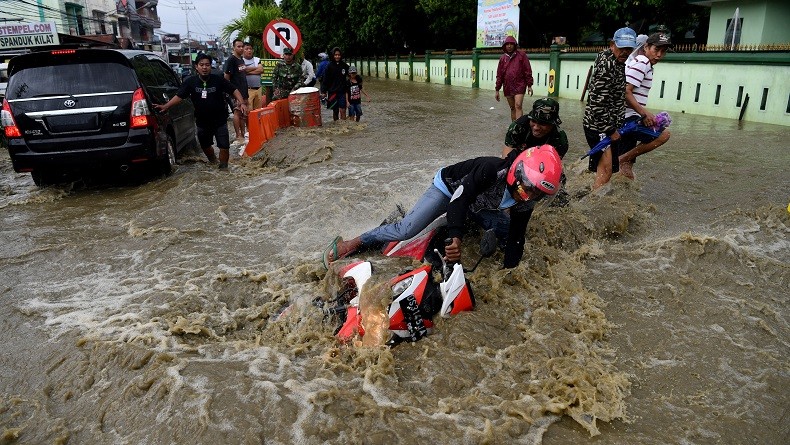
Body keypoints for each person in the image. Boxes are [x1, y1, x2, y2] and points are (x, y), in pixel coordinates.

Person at [323, 145, 563, 270]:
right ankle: (352, 242)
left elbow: (518, 236)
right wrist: (456, 238)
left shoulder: (527, 200)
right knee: (406, 229)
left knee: (506, 233)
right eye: (526, 189)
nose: (527, 197)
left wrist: (510, 272)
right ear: (517, 172)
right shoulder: (491, 170)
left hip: (481, 205)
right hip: (448, 190)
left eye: (537, 195)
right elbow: (459, 199)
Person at [155, 53, 247, 170]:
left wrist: (241, 103)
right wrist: (165, 106)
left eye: (207, 65)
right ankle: (213, 161)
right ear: (196, 67)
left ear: (210, 66)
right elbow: (179, 96)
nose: (204, 67)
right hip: (202, 122)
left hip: (220, 120)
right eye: (201, 65)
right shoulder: (190, 82)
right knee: (206, 146)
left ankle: (224, 169)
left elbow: (234, 90)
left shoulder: (218, 79)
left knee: (224, 146)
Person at [582, 27, 637, 190]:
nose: (625, 52)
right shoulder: (607, 66)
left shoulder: (617, 62)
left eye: (629, 48)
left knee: (607, 169)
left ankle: (592, 193)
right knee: (606, 171)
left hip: (607, 125)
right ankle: (593, 201)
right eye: (622, 48)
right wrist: (611, 130)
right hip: (599, 126)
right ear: (612, 44)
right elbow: (597, 104)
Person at [617, 32, 673, 179]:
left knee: (625, 171)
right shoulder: (643, 62)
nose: (659, 55)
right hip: (628, 119)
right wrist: (644, 113)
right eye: (656, 50)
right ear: (646, 47)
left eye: (663, 51)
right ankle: (621, 159)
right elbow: (626, 91)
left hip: (628, 117)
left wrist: (643, 114)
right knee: (664, 135)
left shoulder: (640, 62)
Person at [502, 98, 568, 159]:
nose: (536, 128)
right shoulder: (517, 127)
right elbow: (506, 158)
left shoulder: (560, 140)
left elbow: (553, 163)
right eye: (533, 121)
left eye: (542, 123)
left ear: (552, 124)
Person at [495, 36, 534, 121]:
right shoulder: (503, 58)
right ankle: (514, 126)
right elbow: (499, 75)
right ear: (505, 46)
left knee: (518, 105)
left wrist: (529, 85)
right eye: (507, 44)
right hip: (508, 86)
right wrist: (497, 90)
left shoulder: (522, 55)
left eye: (511, 44)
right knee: (512, 108)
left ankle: (519, 126)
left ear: (515, 45)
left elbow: (527, 70)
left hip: (519, 85)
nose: (509, 46)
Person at [223, 39, 249, 145]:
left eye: (242, 46)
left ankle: (243, 134)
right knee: (237, 112)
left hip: (244, 91)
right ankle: (238, 135)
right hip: (236, 93)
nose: (241, 48)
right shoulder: (231, 60)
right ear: (233, 47)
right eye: (238, 46)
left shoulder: (241, 59)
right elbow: (226, 77)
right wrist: (231, 92)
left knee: (243, 114)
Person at [320, 47, 350, 121]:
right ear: (333, 55)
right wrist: (323, 91)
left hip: (342, 92)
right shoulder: (329, 66)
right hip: (332, 92)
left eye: (339, 55)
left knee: (343, 109)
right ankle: (336, 124)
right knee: (335, 110)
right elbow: (325, 80)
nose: (337, 56)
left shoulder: (345, 66)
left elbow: (352, 75)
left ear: (341, 55)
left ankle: (343, 125)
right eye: (335, 55)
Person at [242, 42, 264, 110]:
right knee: (249, 110)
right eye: (246, 49)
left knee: (258, 110)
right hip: (248, 90)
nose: (249, 50)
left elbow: (261, 70)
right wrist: (255, 68)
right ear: (243, 50)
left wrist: (247, 72)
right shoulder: (241, 60)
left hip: (258, 89)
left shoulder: (257, 59)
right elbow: (242, 71)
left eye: (250, 49)